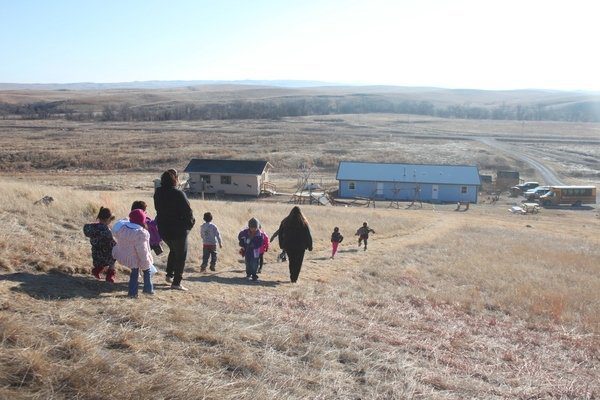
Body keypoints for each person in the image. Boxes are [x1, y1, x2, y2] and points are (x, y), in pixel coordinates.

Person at [154, 169, 195, 291]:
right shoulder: (178, 194)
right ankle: (176, 282)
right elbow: (188, 212)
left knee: (173, 250)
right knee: (181, 255)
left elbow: (158, 209)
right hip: (178, 230)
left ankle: (169, 275)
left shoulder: (158, 192)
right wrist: (188, 226)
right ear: (174, 180)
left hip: (163, 229)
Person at [112, 209, 154, 297]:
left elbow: (116, 228)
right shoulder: (140, 233)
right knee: (147, 271)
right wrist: (145, 261)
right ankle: (148, 290)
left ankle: (133, 293)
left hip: (126, 255)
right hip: (138, 257)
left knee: (134, 274)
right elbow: (142, 250)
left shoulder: (123, 228)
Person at [277, 206, 313, 283]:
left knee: (292, 261)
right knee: (298, 262)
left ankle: (292, 276)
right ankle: (295, 278)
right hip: (301, 246)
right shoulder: (304, 222)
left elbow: (280, 234)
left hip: (289, 245)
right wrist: (310, 245)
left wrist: (281, 244)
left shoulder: (285, 221)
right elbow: (308, 235)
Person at [83, 207, 117, 282]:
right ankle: (110, 275)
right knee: (114, 255)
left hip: (96, 253)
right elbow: (112, 242)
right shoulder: (106, 230)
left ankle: (96, 270)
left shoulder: (92, 227)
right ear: (108, 219)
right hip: (106, 254)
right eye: (110, 220)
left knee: (100, 263)